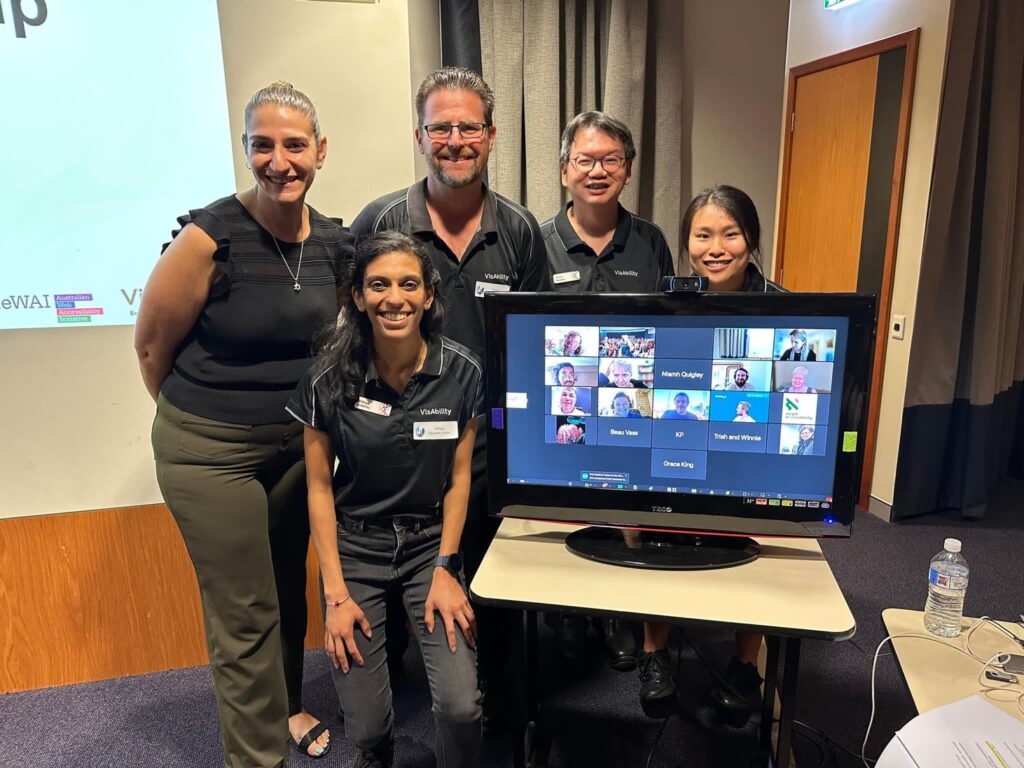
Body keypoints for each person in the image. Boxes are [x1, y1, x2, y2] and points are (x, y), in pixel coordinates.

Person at [136, 82, 352, 766]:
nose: (279, 160)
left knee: (288, 588)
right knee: (246, 609)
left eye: (294, 145)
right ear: (246, 151)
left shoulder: (336, 245)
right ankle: (255, 760)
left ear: (320, 150)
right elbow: (151, 349)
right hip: (210, 453)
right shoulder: (210, 238)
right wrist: (207, 424)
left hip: (295, 448)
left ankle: (285, 708)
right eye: (263, 145)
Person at [350, 66, 547, 731]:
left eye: (469, 127)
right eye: (441, 127)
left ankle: (496, 719)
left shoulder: (519, 232)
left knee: (495, 601)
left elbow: (539, 348)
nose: (455, 139)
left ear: (491, 136)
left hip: (488, 459)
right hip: (396, 466)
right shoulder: (379, 221)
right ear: (419, 135)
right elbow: (350, 333)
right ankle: (401, 716)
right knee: (400, 623)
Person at [289, 232, 482, 768]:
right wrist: (334, 595)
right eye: (378, 285)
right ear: (357, 296)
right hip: (356, 550)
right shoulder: (327, 378)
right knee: (367, 728)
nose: (393, 298)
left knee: (463, 710)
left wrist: (447, 565)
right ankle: (378, 754)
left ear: (428, 296)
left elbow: (459, 480)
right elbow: (319, 488)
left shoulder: (463, 372)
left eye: (407, 284)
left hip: (428, 548)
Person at [637, 184, 783, 723]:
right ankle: (655, 654)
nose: (715, 247)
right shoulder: (672, 301)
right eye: (702, 235)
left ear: (752, 241)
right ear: (687, 243)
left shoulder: (786, 309)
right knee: (654, 519)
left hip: (751, 449)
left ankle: (746, 665)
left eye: (730, 233)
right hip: (684, 441)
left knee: (759, 545)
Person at [540, 111, 674, 292]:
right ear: (564, 172)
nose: (597, 172)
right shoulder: (539, 243)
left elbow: (666, 317)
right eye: (585, 161)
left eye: (611, 160)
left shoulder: (651, 240)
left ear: (628, 171)